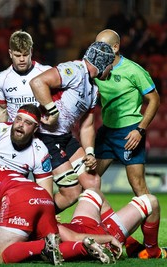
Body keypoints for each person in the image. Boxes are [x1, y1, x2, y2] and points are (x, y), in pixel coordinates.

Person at [0, 160, 122, 264]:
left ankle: (43, 246)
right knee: (62, 241)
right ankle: (84, 246)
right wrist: (109, 237)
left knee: (0, 255)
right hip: (40, 195)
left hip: (17, 199)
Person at [29, 41, 114, 213]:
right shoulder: (73, 70)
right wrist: (52, 112)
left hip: (64, 137)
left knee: (93, 182)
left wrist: (90, 152)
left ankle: (93, 225)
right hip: (45, 136)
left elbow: (87, 125)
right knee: (71, 193)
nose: (111, 71)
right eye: (110, 66)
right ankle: (38, 221)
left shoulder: (94, 89)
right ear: (101, 64)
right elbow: (37, 82)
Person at [94, 29, 160, 196]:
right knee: (90, 180)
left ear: (115, 47)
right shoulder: (94, 70)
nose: (97, 50)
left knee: (138, 186)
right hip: (106, 130)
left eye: (103, 47)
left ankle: (152, 221)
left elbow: (155, 100)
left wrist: (140, 129)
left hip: (129, 132)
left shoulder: (134, 70)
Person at [59, 187, 167, 259]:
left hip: (79, 226)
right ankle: (153, 252)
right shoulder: (45, 229)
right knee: (151, 202)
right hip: (98, 239)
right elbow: (73, 237)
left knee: (92, 192)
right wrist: (109, 238)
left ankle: (130, 244)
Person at [0, 30, 51, 123]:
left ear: (31, 51)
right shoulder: (2, 77)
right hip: (15, 133)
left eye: (25, 54)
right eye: (17, 55)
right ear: (10, 53)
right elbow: (1, 108)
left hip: (42, 131)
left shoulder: (46, 72)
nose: (21, 59)